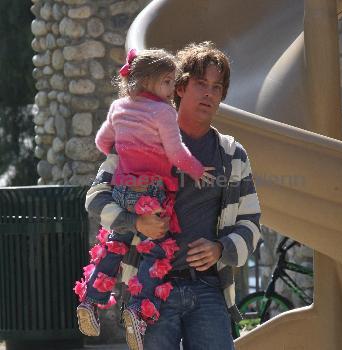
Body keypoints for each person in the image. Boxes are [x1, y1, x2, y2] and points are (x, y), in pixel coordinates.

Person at [85, 41, 261, 350]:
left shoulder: (232, 155)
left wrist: (220, 248)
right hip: (149, 290)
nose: (209, 93)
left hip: (208, 288)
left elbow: (251, 224)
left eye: (217, 87)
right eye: (201, 83)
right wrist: (136, 222)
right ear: (179, 87)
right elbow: (96, 196)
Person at [74, 48, 215, 342]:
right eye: (167, 82)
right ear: (149, 81)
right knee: (158, 250)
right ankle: (137, 309)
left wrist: (125, 153)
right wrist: (198, 170)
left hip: (123, 189)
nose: (170, 90)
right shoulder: (164, 112)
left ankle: (90, 299)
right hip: (151, 192)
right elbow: (177, 154)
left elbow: (103, 142)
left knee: (116, 243)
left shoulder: (118, 107)